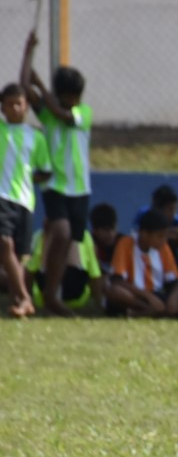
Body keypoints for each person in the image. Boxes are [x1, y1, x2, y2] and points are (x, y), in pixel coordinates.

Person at [20, 32, 92, 317]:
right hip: (55, 185)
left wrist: (40, 84)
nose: (74, 101)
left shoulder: (83, 113)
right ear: (60, 94)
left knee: (69, 239)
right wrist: (28, 53)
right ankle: (50, 294)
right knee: (60, 232)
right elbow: (24, 87)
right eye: (70, 96)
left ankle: (53, 292)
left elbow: (63, 115)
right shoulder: (47, 113)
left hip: (80, 188)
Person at [0, 83, 51, 318]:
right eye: (8, 104)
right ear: (2, 108)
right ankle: (25, 298)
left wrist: (27, 178)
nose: (14, 109)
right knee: (4, 243)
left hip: (24, 200)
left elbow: (45, 171)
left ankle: (18, 301)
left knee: (20, 255)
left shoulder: (35, 137)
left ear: (27, 106)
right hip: (2, 196)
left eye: (18, 104)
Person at [104, 209, 178, 317]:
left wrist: (173, 299)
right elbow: (117, 280)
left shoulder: (163, 247)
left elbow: (175, 281)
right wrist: (148, 296)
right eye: (160, 236)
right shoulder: (126, 243)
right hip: (135, 294)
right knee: (114, 291)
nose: (164, 240)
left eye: (165, 236)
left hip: (158, 295)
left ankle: (148, 312)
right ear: (144, 234)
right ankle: (148, 310)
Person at [25, 225, 102, 313]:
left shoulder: (43, 234)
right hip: (75, 294)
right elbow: (94, 274)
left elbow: (30, 271)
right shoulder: (84, 234)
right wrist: (99, 303)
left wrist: (27, 299)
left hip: (46, 294)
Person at [134, 184, 178, 262]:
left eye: (175, 209)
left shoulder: (176, 219)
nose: (173, 214)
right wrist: (171, 233)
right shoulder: (144, 214)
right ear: (157, 208)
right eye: (170, 209)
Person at [89, 203, 123, 276]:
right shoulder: (88, 243)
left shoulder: (122, 243)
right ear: (95, 231)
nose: (111, 234)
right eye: (106, 230)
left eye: (113, 228)